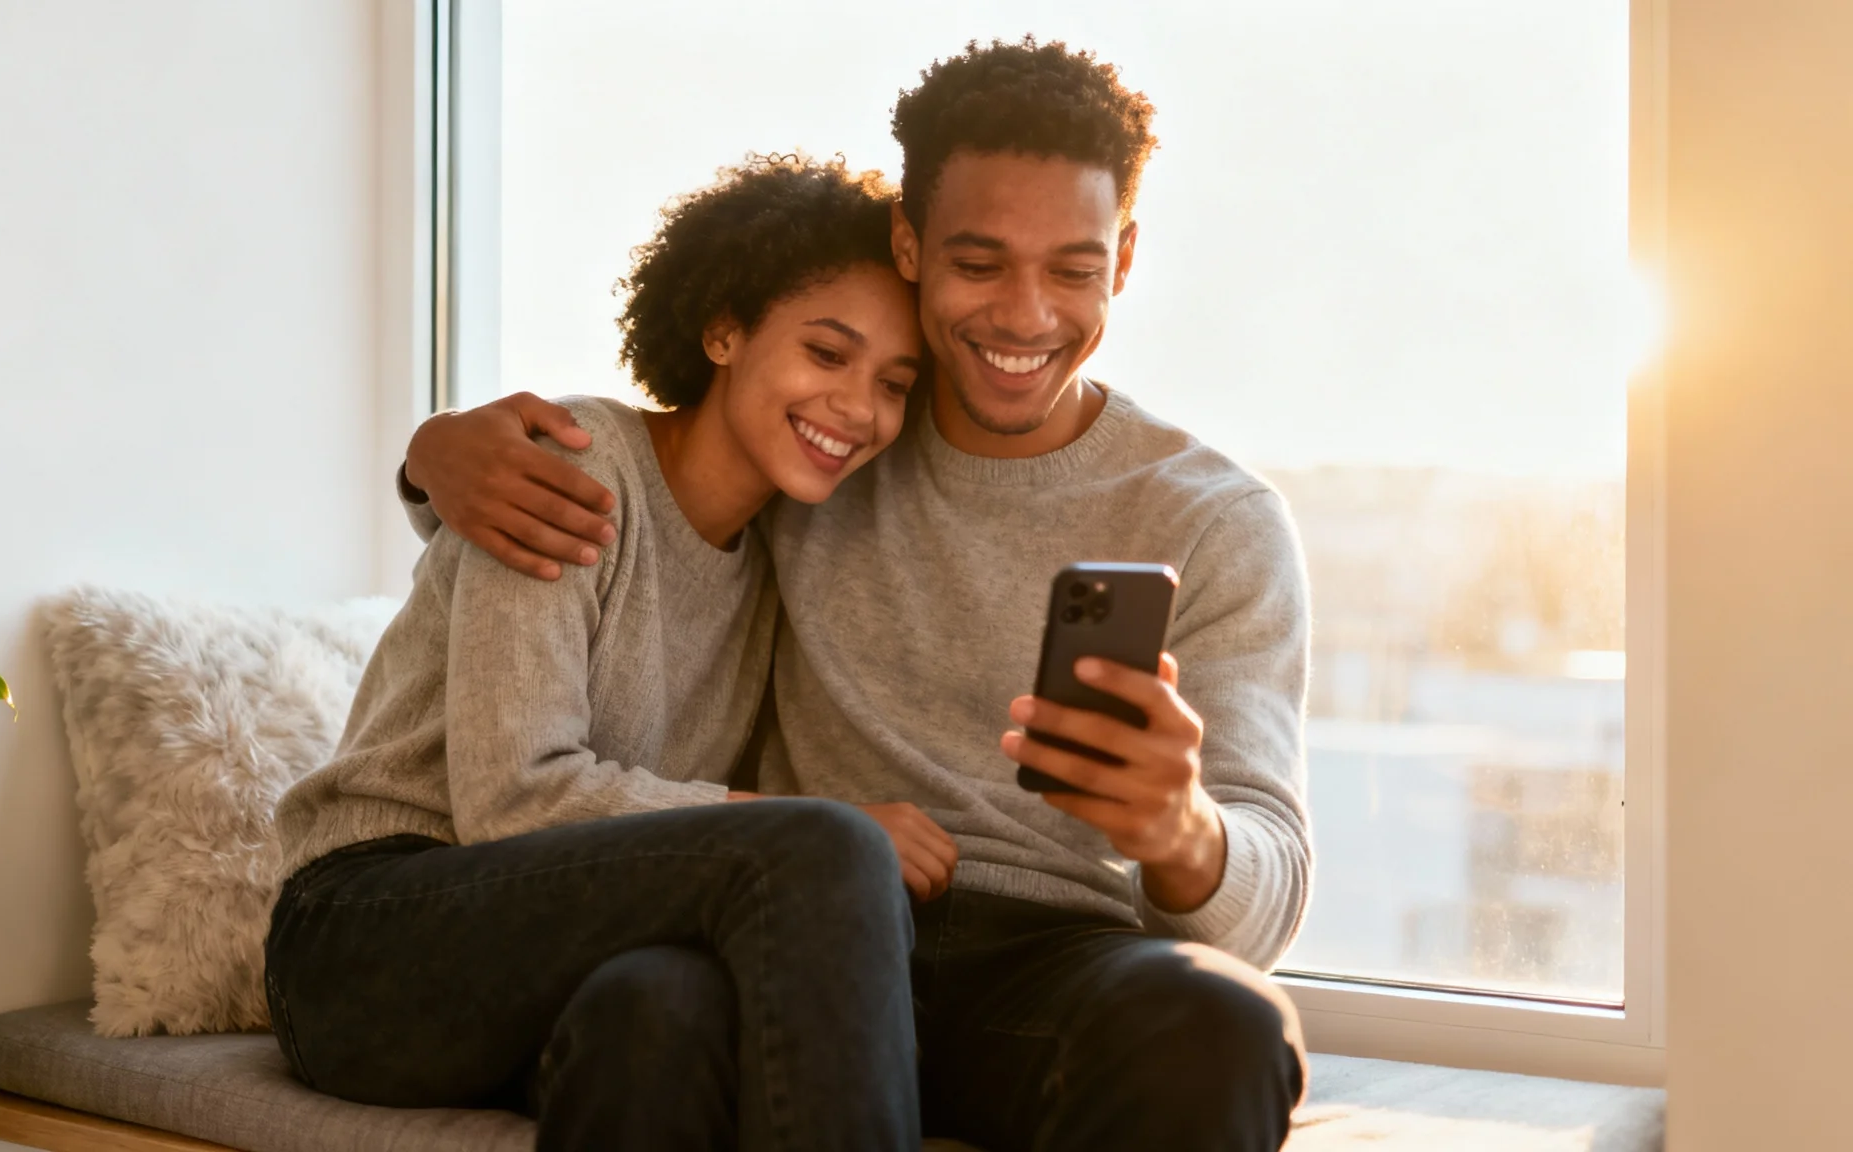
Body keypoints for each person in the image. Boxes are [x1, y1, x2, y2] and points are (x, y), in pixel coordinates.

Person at [403, 39, 1314, 1152]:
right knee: (643, 1012)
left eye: (1071, 269)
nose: (1025, 316)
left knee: (1221, 1021)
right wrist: (435, 455)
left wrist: (1184, 832)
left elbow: (1264, 892)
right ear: (909, 245)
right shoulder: (831, 433)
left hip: (1055, 960)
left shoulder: (1215, 520)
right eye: (978, 263)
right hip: (800, 932)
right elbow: (641, 500)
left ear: (1121, 260)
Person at [266, 155, 933, 1152]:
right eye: (826, 354)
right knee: (825, 842)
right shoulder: (567, 472)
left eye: (892, 383)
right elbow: (512, 799)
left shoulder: (780, 568)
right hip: (366, 939)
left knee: (658, 1013)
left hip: (558, 970)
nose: (858, 409)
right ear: (722, 331)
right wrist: (813, 829)